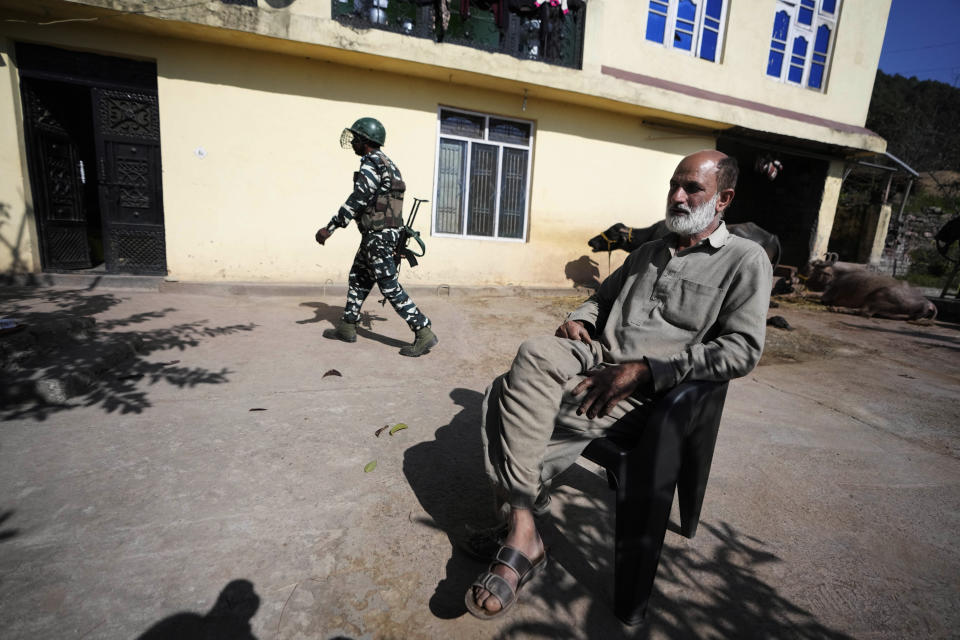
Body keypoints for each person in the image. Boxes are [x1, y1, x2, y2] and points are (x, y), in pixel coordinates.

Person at [465, 150, 772, 619]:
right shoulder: (648, 252)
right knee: (532, 353)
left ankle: (518, 526)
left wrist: (648, 370)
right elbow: (598, 300)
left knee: (503, 396)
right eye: (675, 184)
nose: (677, 196)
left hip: (644, 388)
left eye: (693, 188)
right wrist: (578, 320)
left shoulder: (744, 260)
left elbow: (741, 350)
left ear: (724, 198)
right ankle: (525, 524)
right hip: (595, 354)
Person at [316, 117, 438, 357]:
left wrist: (330, 228)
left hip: (378, 237)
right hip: (383, 234)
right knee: (359, 276)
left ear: (365, 141)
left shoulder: (371, 163)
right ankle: (347, 326)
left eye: (356, 139)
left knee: (389, 286)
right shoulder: (389, 164)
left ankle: (423, 331)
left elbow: (358, 198)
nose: (352, 143)